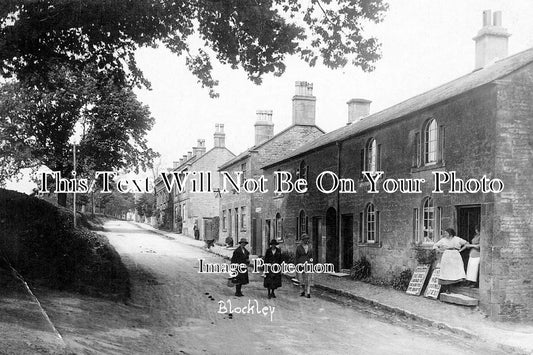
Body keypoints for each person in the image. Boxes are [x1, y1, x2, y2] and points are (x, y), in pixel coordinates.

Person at [432, 228, 467, 293]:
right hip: (447, 255)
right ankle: (448, 288)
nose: (445, 234)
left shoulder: (457, 239)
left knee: (457, 269)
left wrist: (460, 250)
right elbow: (435, 245)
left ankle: (458, 284)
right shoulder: (443, 240)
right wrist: (440, 251)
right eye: (445, 233)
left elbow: (466, 243)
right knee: (447, 271)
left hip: (455, 255)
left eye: (446, 233)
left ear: (450, 233)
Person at [295, 234, 314, 298]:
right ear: (302, 240)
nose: (307, 240)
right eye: (305, 239)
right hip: (300, 264)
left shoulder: (310, 246)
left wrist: (311, 262)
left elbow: (311, 256)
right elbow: (296, 257)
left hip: (308, 264)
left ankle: (308, 292)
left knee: (308, 279)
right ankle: (303, 291)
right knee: (301, 279)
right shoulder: (299, 247)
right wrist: (296, 265)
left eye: (307, 239)